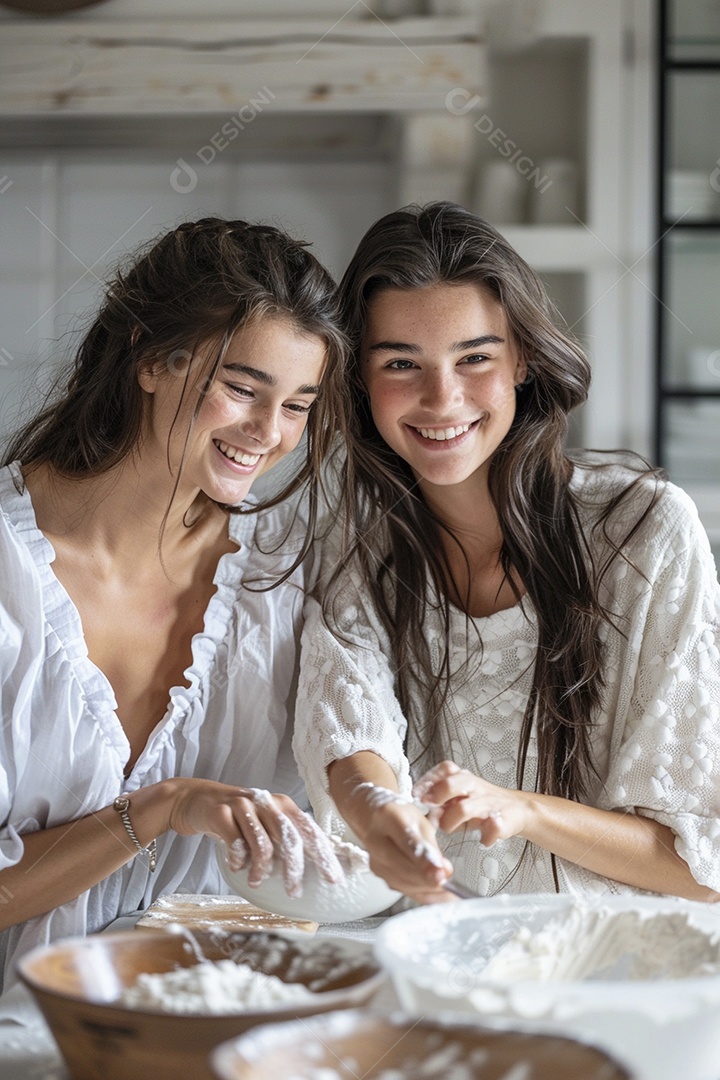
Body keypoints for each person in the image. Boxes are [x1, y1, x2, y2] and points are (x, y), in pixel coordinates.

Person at [293, 201, 720, 905]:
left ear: (521, 359)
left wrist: (521, 809)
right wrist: (380, 815)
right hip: (442, 964)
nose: (442, 398)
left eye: (475, 358)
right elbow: (350, 724)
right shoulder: (357, 539)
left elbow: (698, 864)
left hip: (614, 980)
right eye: (401, 362)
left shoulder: (642, 533)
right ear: (358, 380)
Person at [0, 216, 350, 994]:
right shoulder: (8, 580)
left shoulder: (287, 579)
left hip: (209, 1039)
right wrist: (155, 811)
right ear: (152, 358)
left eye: (298, 405)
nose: (268, 432)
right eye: (242, 388)